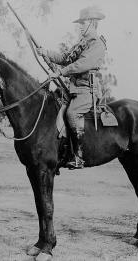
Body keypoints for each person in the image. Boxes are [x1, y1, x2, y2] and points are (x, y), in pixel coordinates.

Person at [36, 6, 107, 169]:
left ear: (92, 23)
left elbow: (81, 64)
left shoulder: (97, 44)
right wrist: (45, 52)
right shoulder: (82, 43)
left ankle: (79, 156)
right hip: (75, 89)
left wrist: (60, 72)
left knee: (72, 113)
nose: (80, 26)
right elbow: (65, 58)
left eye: (83, 23)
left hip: (87, 91)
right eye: (80, 23)